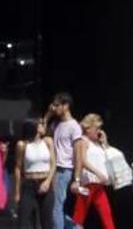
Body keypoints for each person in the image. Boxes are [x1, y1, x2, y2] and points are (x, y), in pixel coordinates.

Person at [71, 113, 115, 229]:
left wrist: (105, 142)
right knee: (79, 215)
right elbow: (82, 161)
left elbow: (109, 156)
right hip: (88, 182)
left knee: (106, 214)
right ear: (88, 128)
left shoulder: (98, 143)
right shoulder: (83, 141)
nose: (99, 131)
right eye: (97, 128)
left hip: (99, 184)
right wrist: (97, 172)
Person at [46, 91, 82, 229]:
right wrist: (48, 115)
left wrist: (76, 179)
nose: (54, 108)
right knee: (53, 206)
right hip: (53, 168)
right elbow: (41, 131)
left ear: (65, 106)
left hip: (63, 169)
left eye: (56, 105)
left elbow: (78, 154)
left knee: (56, 205)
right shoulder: (56, 124)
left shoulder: (74, 126)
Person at [14, 117, 56, 229]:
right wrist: (17, 192)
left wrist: (48, 182)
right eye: (40, 124)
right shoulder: (22, 145)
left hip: (45, 180)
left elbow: (53, 164)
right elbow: (18, 168)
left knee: (47, 220)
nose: (43, 126)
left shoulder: (48, 141)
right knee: (24, 220)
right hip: (29, 183)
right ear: (33, 127)